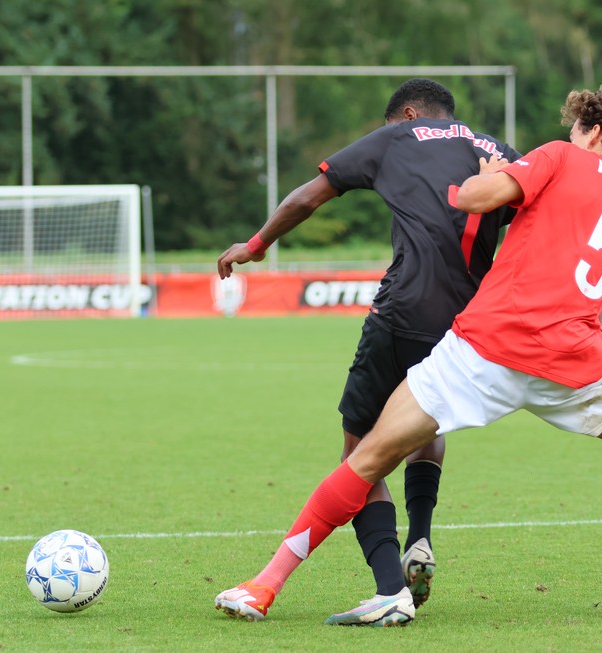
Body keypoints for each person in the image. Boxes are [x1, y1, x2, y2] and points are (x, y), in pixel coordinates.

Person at [214, 81, 602, 624]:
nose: (570, 134)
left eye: (577, 126)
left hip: (486, 347)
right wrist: (601, 330)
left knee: (366, 458)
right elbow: (575, 275)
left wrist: (487, 177)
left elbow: (471, 199)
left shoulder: (558, 156)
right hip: (572, 360)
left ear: (594, 130)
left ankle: (264, 586)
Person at [218, 78, 572, 627]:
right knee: (424, 426)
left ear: (407, 113)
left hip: (402, 314)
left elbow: (308, 196)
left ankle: (389, 590)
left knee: (359, 456)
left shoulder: (399, 137)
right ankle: (421, 539)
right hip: (467, 327)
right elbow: (546, 231)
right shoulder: (500, 153)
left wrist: (255, 245)